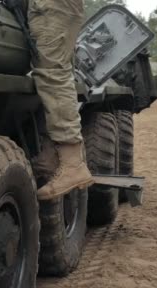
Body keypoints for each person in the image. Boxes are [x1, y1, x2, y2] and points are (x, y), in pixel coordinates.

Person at [28, 0, 94, 200]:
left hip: (51, 5)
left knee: (52, 74)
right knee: (53, 72)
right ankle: (54, 154)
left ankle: (72, 164)